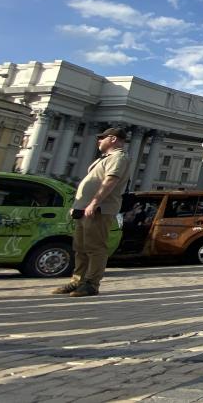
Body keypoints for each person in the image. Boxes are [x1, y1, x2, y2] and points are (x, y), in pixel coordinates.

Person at [52, 126, 131, 298]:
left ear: (113, 139)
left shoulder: (119, 157)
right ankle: (78, 281)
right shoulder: (106, 158)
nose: (98, 141)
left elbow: (110, 181)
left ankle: (91, 284)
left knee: (95, 248)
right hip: (86, 209)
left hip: (99, 210)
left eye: (101, 138)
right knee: (80, 247)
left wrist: (94, 202)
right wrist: (79, 204)